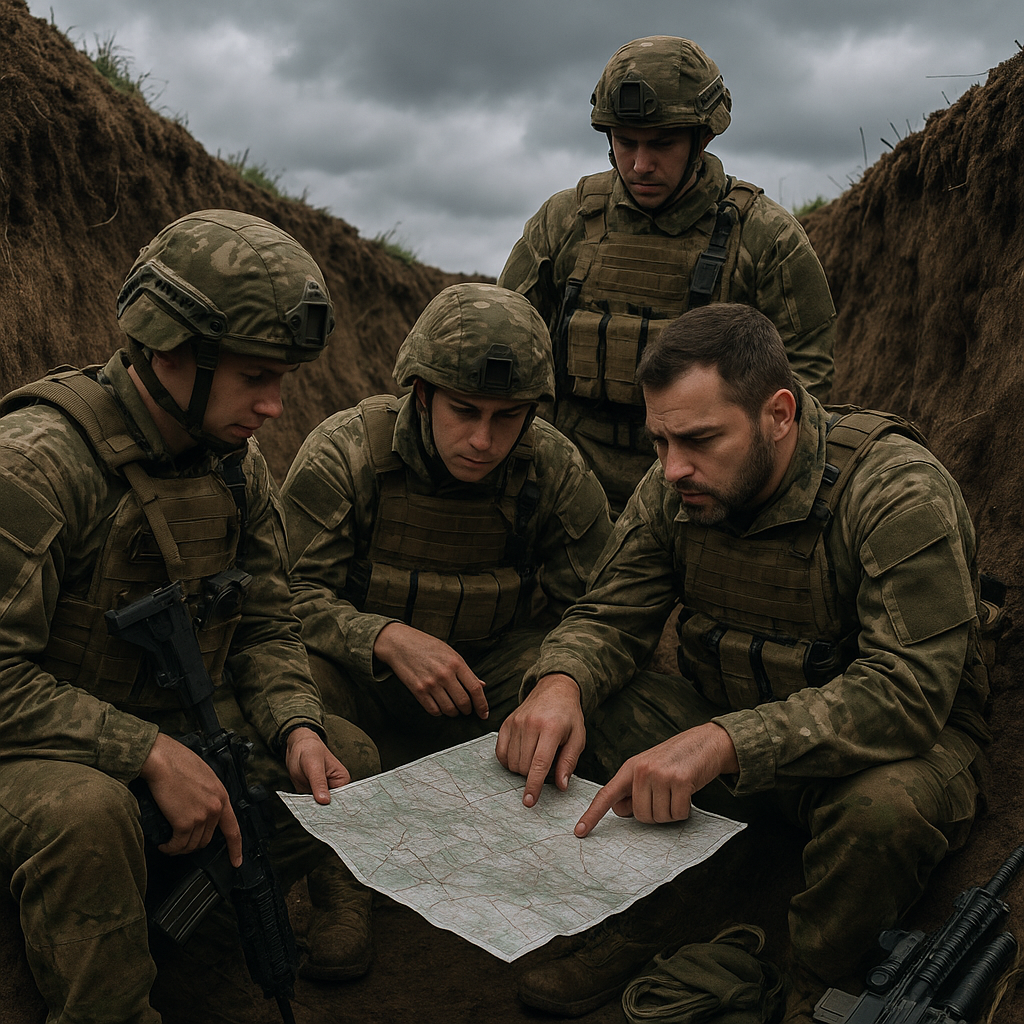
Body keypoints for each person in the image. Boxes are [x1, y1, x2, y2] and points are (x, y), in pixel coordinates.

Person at [496, 303, 990, 1018]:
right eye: (660, 441)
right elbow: (609, 615)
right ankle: (652, 921)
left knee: (886, 812)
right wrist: (561, 681)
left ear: (779, 413)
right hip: (733, 739)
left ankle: (812, 979)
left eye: (698, 440)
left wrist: (728, 742)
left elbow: (908, 692)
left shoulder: (895, 491)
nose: (672, 468)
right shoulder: (674, 485)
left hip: (875, 757)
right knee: (586, 712)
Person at [0, 210, 381, 1023]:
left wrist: (295, 728)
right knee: (87, 816)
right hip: (37, 751)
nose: (277, 407)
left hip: (174, 727)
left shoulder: (235, 466)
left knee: (343, 759)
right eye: (255, 377)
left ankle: (175, 947)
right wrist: (145, 753)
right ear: (170, 349)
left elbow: (269, 622)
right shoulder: (38, 461)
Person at [498, 36, 837, 514]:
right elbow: (507, 343)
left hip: (698, 493)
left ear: (704, 137)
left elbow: (804, 385)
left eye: (662, 143)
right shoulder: (564, 221)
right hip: (563, 483)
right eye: (625, 142)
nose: (640, 164)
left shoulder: (766, 238)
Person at [281, 282, 612, 767]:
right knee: (298, 691)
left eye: (508, 417)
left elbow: (599, 609)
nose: (483, 439)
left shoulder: (553, 466)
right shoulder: (346, 453)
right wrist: (383, 638)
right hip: (360, 679)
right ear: (422, 394)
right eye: (464, 411)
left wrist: (560, 682)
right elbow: (285, 596)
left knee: (614, 706)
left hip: (484, 684)